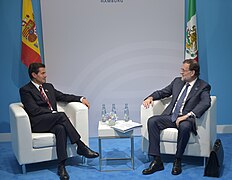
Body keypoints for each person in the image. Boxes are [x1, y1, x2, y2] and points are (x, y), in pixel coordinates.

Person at [19, 63, 99, 180]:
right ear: (34, 75)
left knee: (61, 128)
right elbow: (33, 110)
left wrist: (80, 98)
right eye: (43, 73)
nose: (46, 75)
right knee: (61, 116)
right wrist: (53, 114)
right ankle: (80, 146)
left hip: (53, 121)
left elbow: (63, 97)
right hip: (38, 123)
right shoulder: (25, 90)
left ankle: (61, 166)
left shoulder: (48, 87)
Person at [142, 59, 211, 176]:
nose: (181, 72)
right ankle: (157, 160)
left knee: (184, 127)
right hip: (171, 116)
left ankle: (178, 160)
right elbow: (163, 92)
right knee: (152, 121)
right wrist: (150, 97)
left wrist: (187, 115)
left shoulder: (203, 86)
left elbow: (205, 103)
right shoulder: (177, 82)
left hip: (186, 119)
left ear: (192, 73)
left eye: (184, 70)